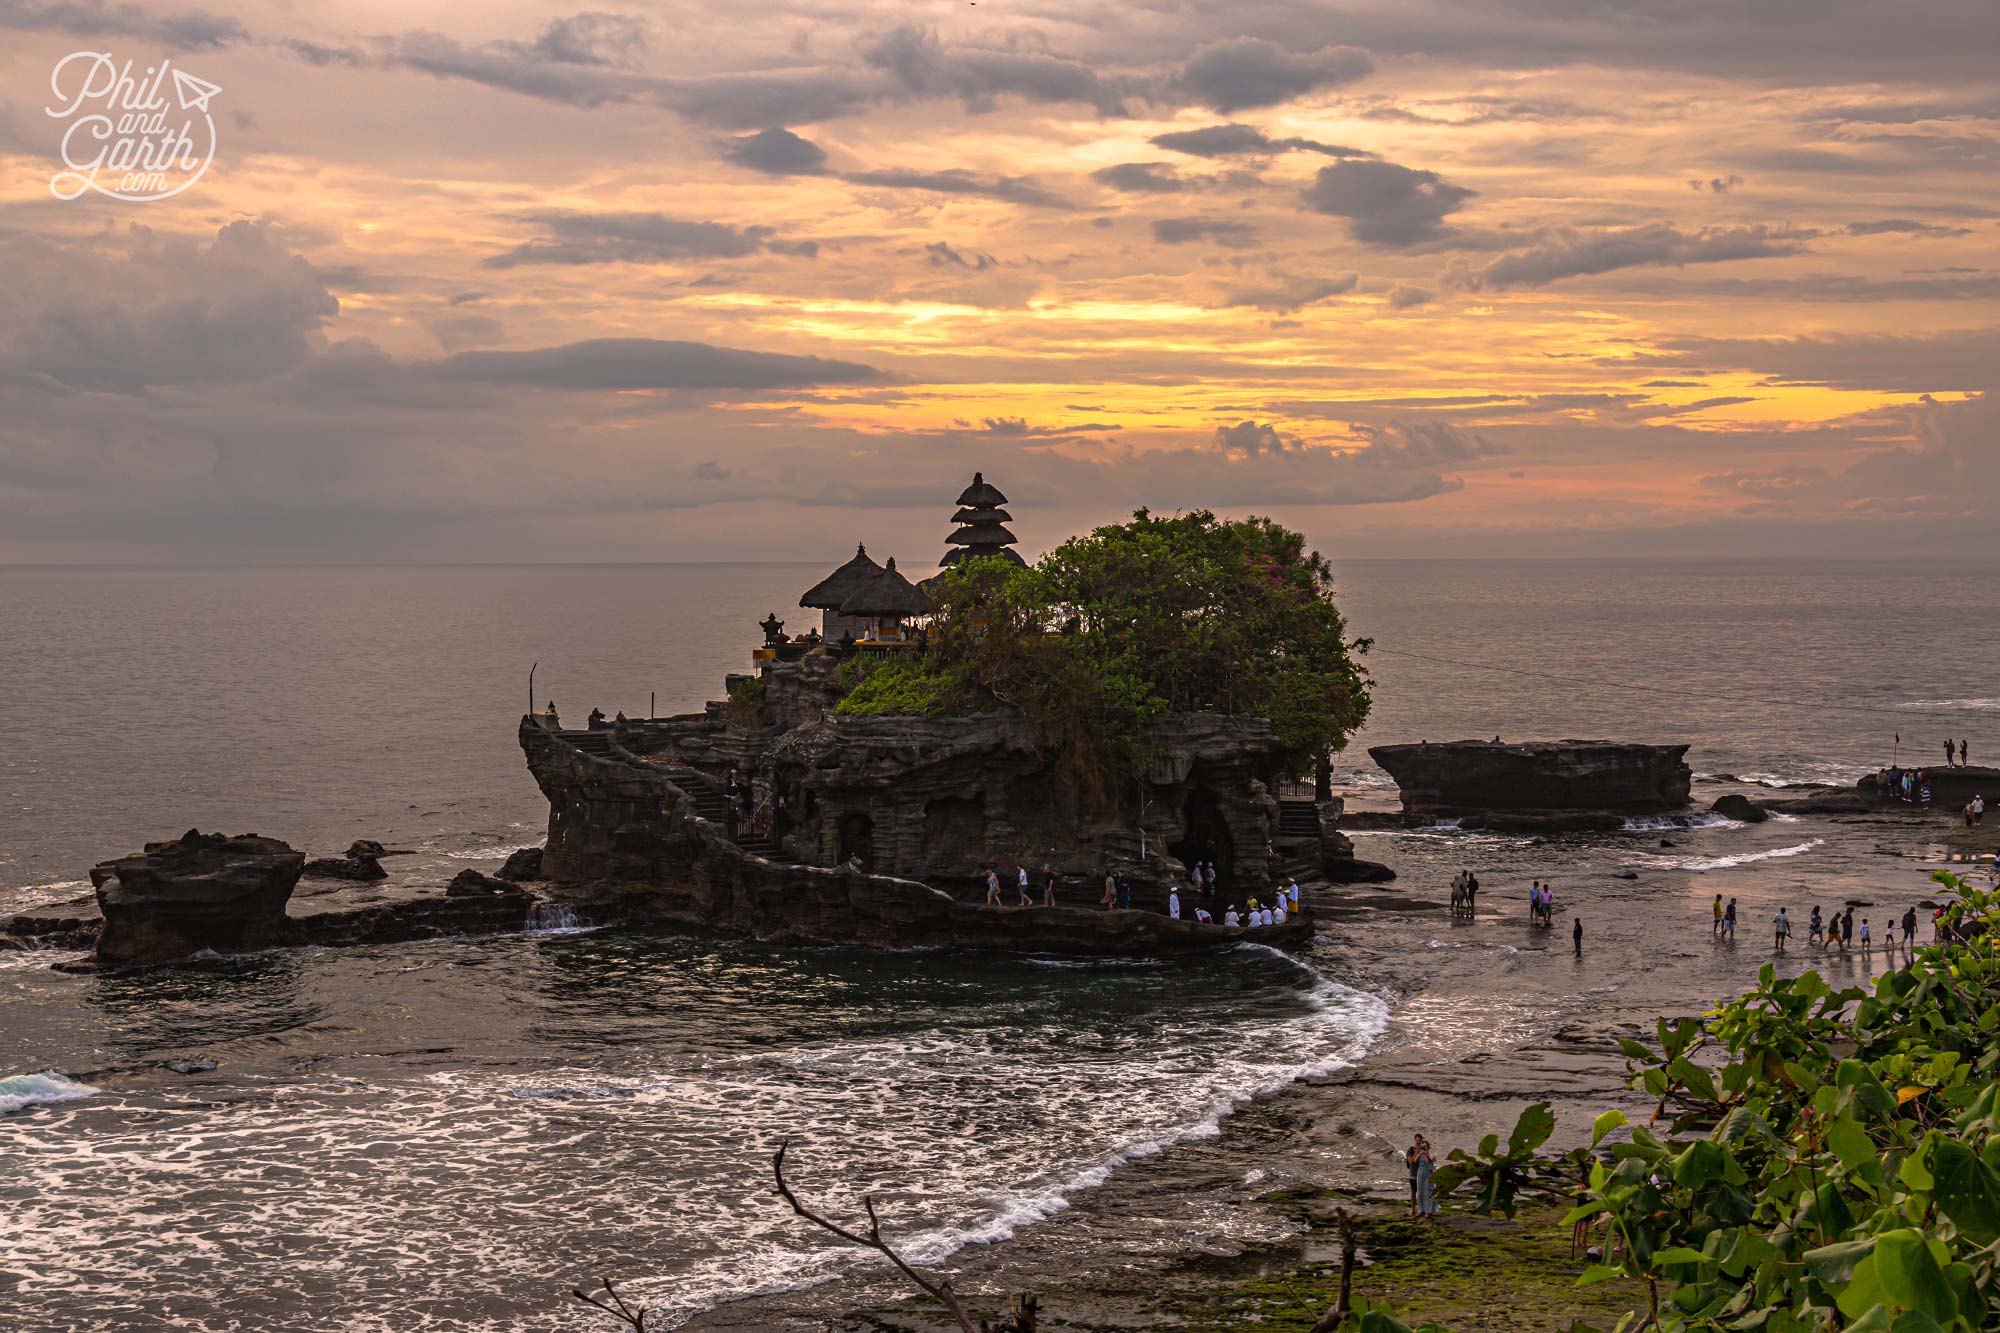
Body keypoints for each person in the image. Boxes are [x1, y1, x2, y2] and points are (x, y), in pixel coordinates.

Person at [1414, 1136, 1439, 1220]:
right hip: (1420, 1174)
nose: (1424, 1147)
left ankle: (1428, 1211)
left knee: (1428, 1192)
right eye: (1423, 1146)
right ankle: (1421, 1210)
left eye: (1425, 1146)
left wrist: (1426, 1154)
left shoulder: (1432, 1155)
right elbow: (1414, 1161)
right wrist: (1420, 1153)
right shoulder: (1420, 1154)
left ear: (1428, 1147)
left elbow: (1430, 1161)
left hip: (1428, 1174)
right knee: (1420, 1192)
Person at [1405, 1136, 1426, 1216]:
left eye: (1420, 1141)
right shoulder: (1410, 1150)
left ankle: (1423, 1209)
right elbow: (1410, 1162)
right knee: (1414, 1192)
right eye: (1417, 1140)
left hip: (1422, 1174)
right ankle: (1413, 1209)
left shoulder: (1423, 1150)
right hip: (1413, 1174)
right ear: (1414, 1140)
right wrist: (1417, 1152)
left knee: (1423, 1192)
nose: (1418, 1142)